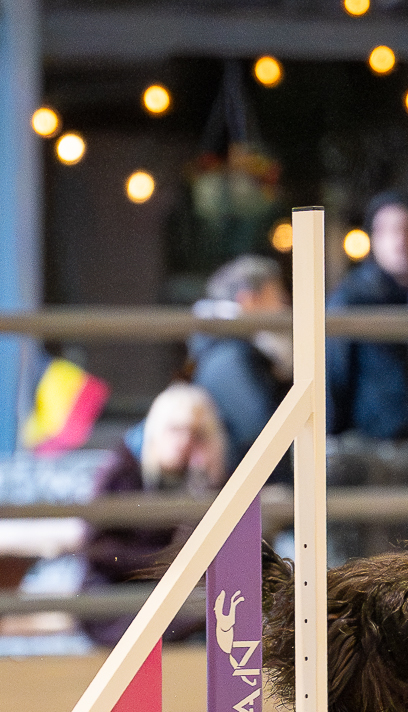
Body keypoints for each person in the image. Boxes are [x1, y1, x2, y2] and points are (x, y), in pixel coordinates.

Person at [82, 382, 229, 647]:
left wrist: (205, 483)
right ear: (156, 429)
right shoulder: (122, 472)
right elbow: (99, 550)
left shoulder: (200, 479)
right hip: (118, 597)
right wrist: (162, 564)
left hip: (172, 596)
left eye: (196, 434)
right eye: (175, 429)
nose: (184, 441)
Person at [189, 255, 289, 485]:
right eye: (275, 294)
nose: (283, 303)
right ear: (248, 299)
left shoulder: (226, 349)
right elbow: (259, 432)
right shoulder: (230, 356)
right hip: (249, 489)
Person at [327, 190, 408, 442]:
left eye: (407, 229)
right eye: (386, 231)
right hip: (374, 445)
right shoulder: (352, 298)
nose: (399, 240)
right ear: (373, 239)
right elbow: (333, 377)